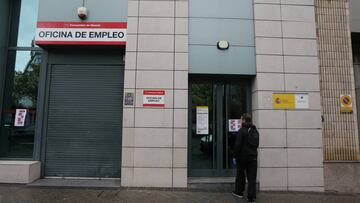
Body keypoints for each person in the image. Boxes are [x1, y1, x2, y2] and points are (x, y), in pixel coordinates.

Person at [232, 113, 259, 203]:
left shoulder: (242, 130)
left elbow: (237, 145)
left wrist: (234, 156)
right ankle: (251, 198)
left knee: (240, 175)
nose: (240, 120)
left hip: (242, 158)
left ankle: (239, 192)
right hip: (253, 158)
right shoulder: (255, 130)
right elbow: (256, 144)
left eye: (241, 119)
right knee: (252, 178)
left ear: (244, 120)